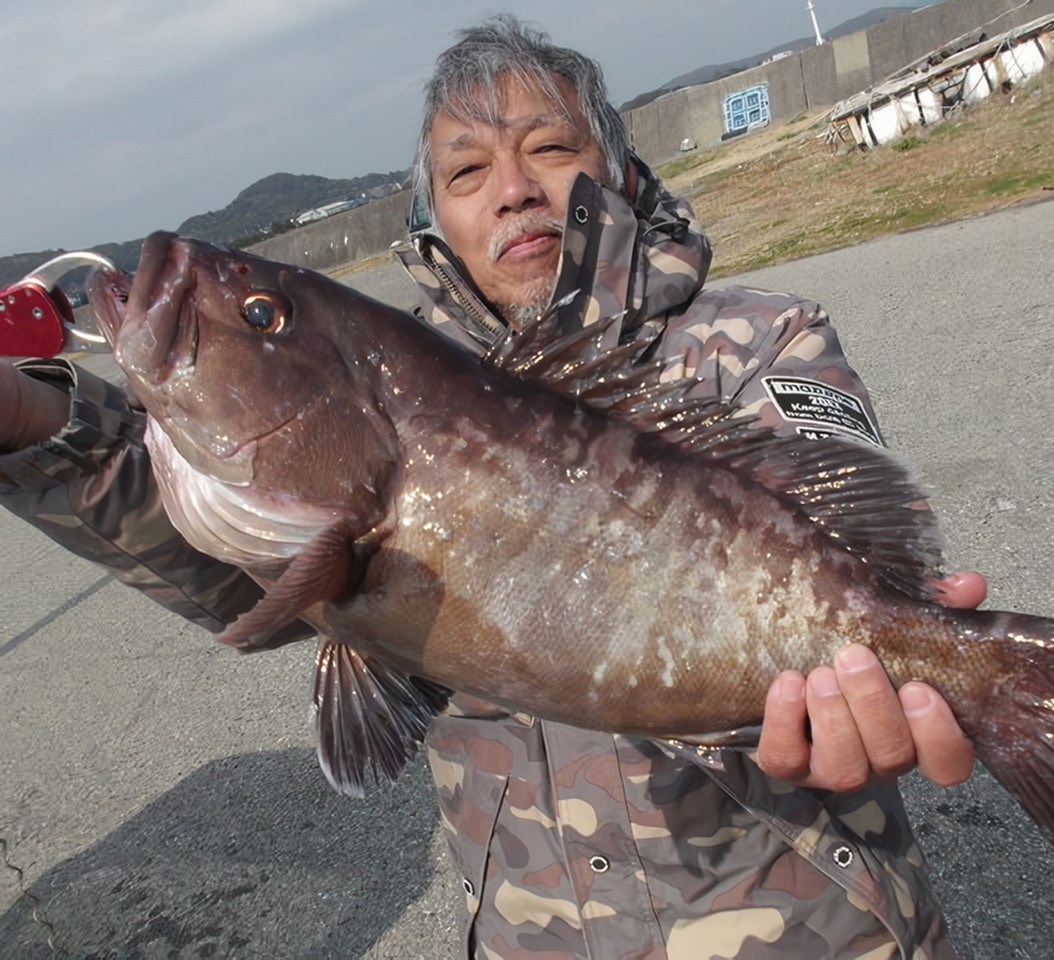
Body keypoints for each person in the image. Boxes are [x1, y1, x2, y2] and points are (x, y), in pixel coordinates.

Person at [1, 16, 988, 958]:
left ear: (620, 174)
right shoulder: (381, 403)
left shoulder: (761, 336)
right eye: (467, 170)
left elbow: (838, 531)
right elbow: (236, 572)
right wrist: (38, 421)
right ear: (435, 222)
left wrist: (902, 651)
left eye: (549, 149)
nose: (511, 189)